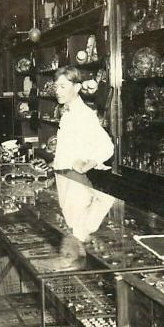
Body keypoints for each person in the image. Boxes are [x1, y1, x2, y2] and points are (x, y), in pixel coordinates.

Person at [51, 66, 115, 250]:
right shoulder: (68, 112)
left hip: (75, 181)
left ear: (77, 88)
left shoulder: (84, 114)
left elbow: (107, 146)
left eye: (63, 86)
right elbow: (70, 149)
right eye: (56, 87)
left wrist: (87, 164)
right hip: (63, 177)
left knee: (76, 237)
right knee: (72, 235)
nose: (57, 91)